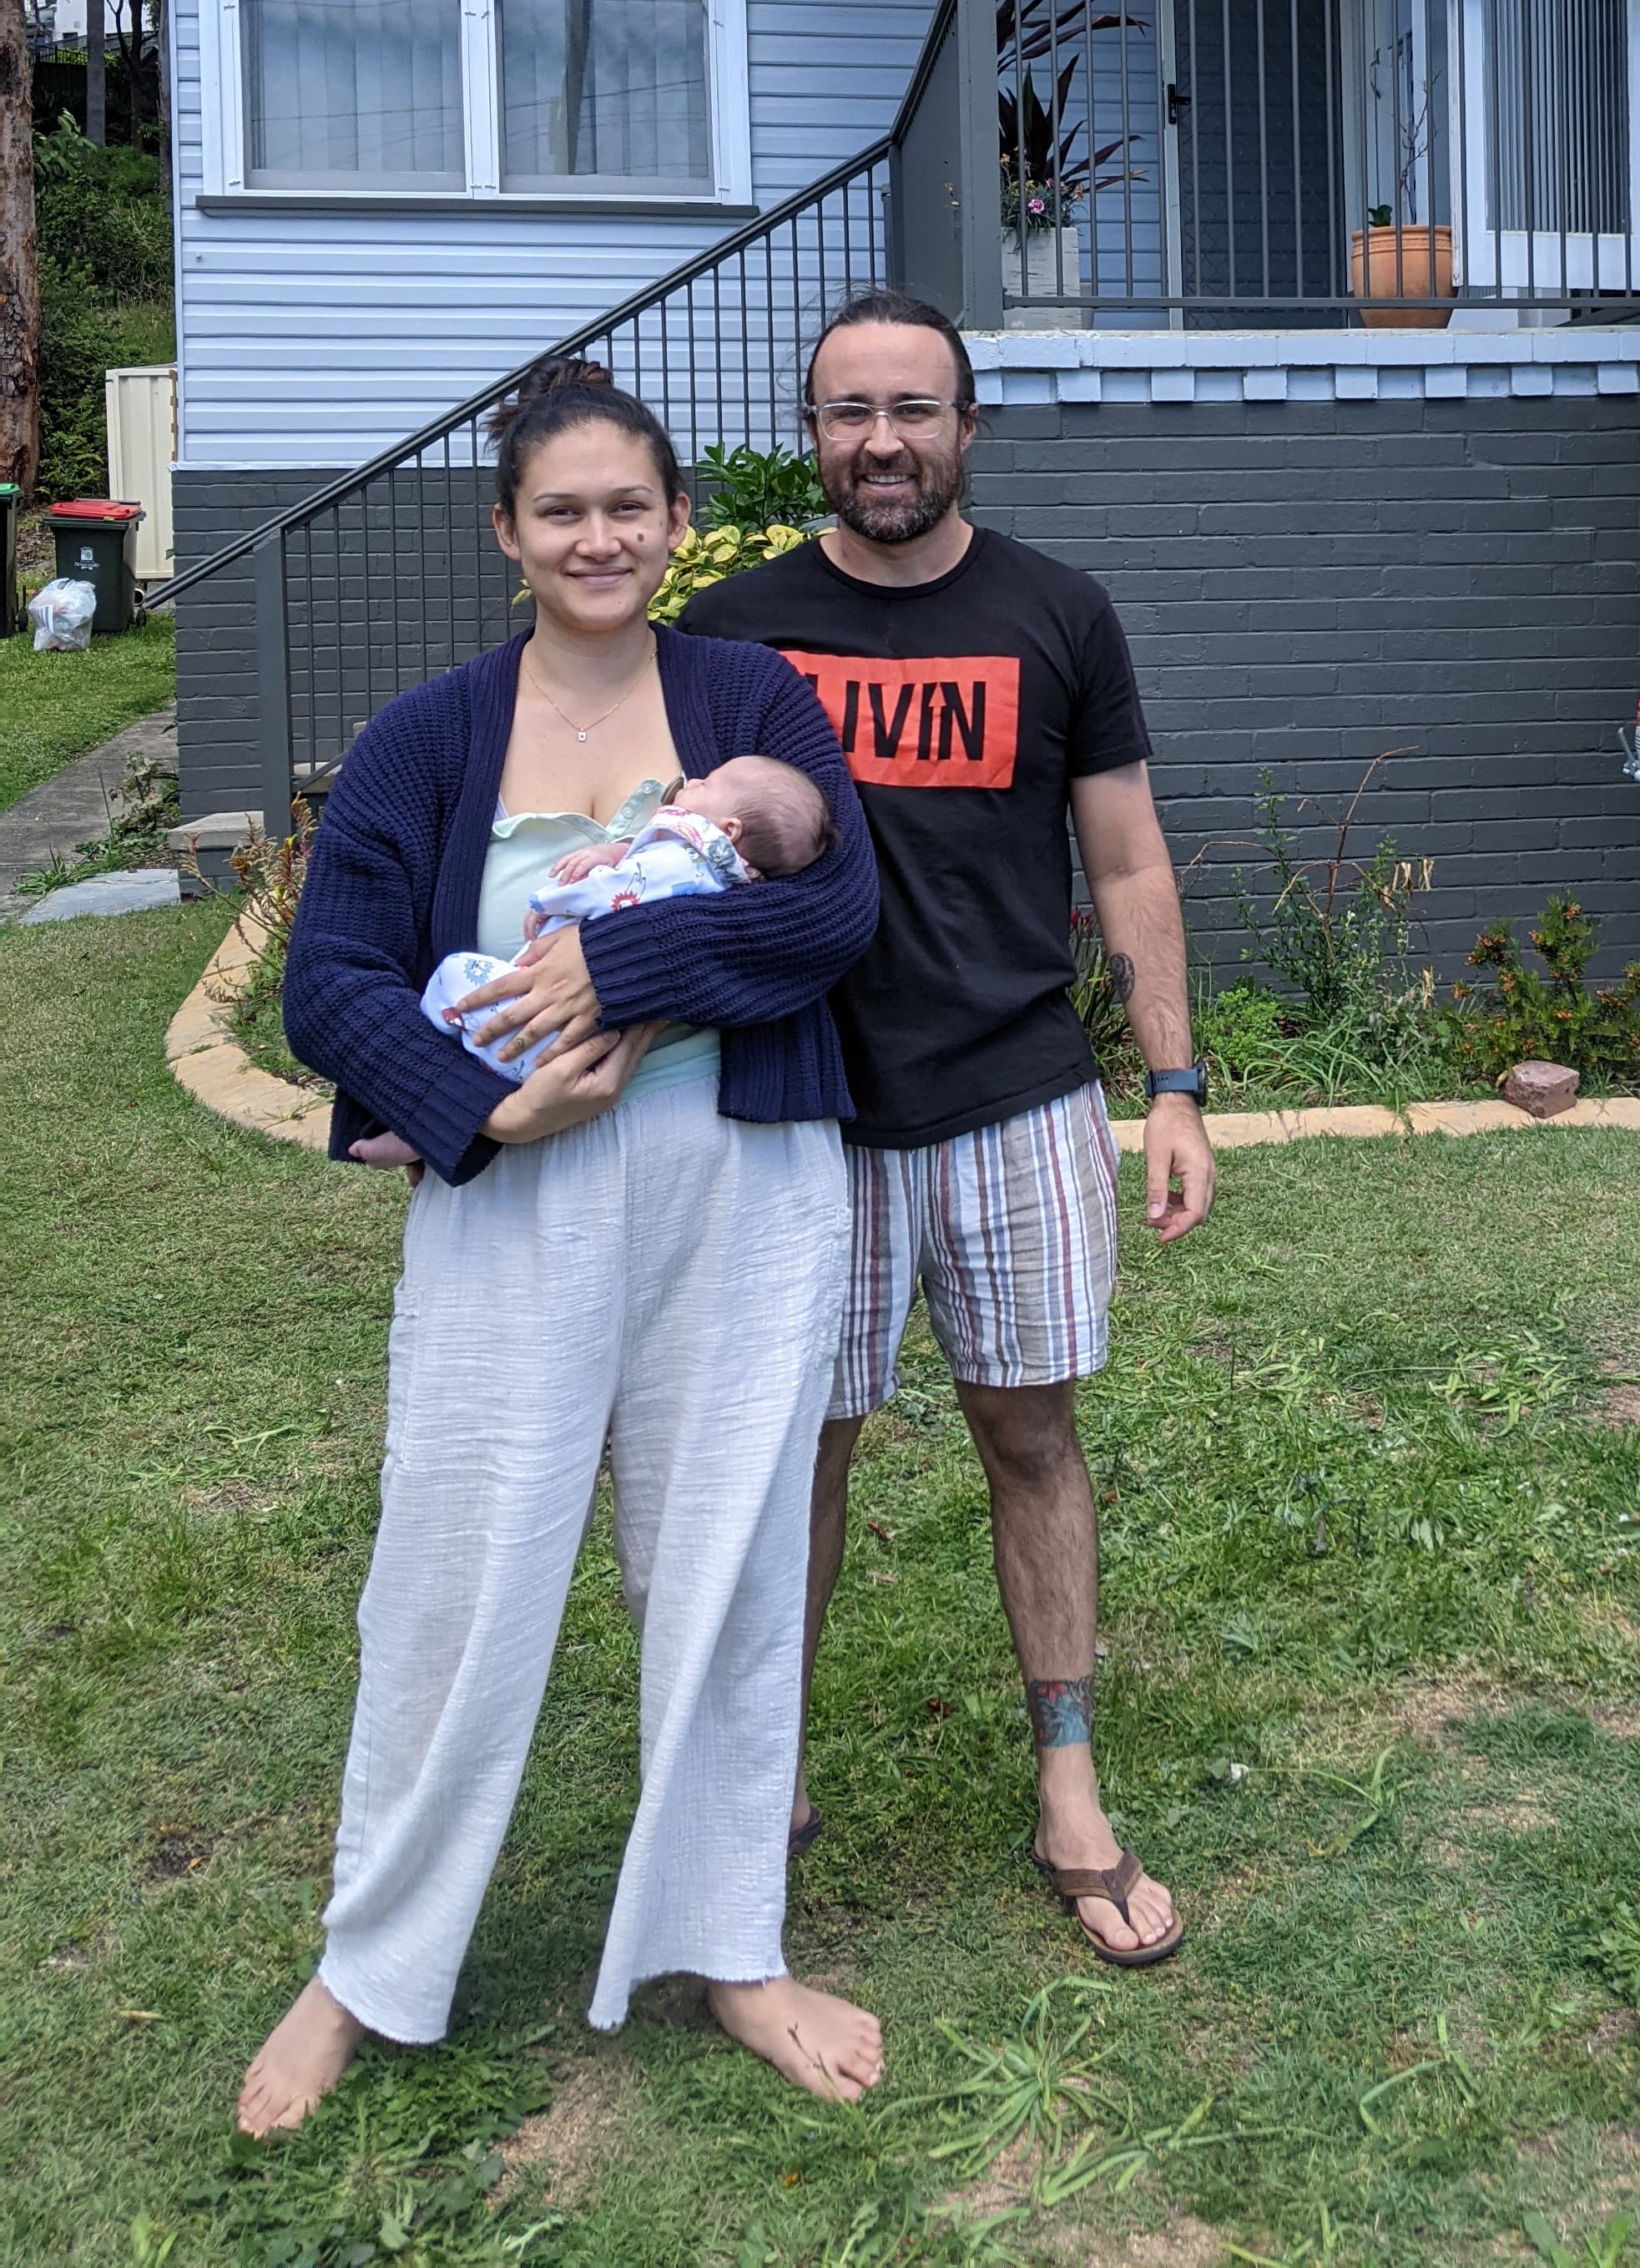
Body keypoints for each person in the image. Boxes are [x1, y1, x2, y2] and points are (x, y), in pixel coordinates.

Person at [236, 357, 887, 2139]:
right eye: (561, 510)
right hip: (512, 1192)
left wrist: (619, 964)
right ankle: (367, 1964)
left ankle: (730, 1944)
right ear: (506, 532)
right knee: (455, 1565)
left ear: (676, 521)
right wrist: (484, 1108)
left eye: (628, 507)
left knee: (730, 1561)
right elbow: (329, 981)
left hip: (739, 1181)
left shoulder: (749, 695)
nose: (598, 538)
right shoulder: (426, 736)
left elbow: (837, 906)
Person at [681, 290, 1215, 1969]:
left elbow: (1125, 860)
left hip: (1017, 1101)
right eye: (850, 411)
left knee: (1032, 1439)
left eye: (913, 408)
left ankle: (1070, 1783)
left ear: (967, 427)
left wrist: (1174, 1084)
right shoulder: (735, 636)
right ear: (811, 433)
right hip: (802, 1117)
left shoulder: (1059, 614)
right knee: (797, 1457)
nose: (882, 441)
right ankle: (757, 1786)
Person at [421, 754, 832, 1083]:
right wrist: (616, 850)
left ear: (729, 829)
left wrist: (549, 902)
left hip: (532, 1024)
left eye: (708, 784)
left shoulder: (682, 861)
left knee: (452, 975)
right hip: (574, 1044)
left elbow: (618, 887)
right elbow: (645, 868)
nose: (693, 781)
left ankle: (444, 1055)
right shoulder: (714, 873)